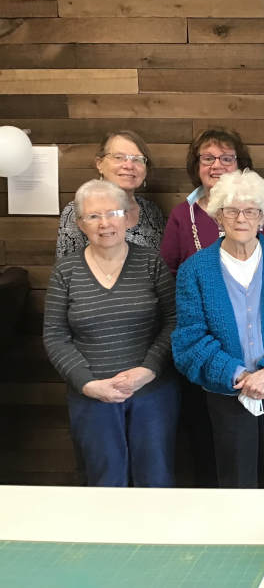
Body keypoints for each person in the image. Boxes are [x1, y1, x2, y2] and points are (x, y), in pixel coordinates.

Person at [171, 169, 264, 488]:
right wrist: (237, 375)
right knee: (236, 482)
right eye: (231, 210)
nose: (241, 218)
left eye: (251, 210)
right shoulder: (194, 269)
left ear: (262, 217)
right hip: (227, 392)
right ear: (218, 216)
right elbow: (190, 338)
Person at [44, 179, 179, 486]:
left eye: (113, 213)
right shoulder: (66, 271)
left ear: (127, 218)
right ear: (81, 224)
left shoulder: (151, 263)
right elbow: (55, 335)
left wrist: (148, 369)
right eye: (93, 216)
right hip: (92, 395)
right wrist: (88, 384)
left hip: (152, 392)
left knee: (155, 481)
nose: (104, 223)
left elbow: (174, 321)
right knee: (104, 482)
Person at [160, 127, 264, 275]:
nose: (217, 165)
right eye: (208, 159)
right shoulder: (182, 215)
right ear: (197, 166)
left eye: (226, 159)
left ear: (240, 166)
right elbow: (168, 274)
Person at [57, 131, 165, 258]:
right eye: (119, 157)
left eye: (137, 159)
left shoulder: (152, 211)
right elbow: (68, 266)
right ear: (99, 164)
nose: (129, 165)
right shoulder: (78, 211)